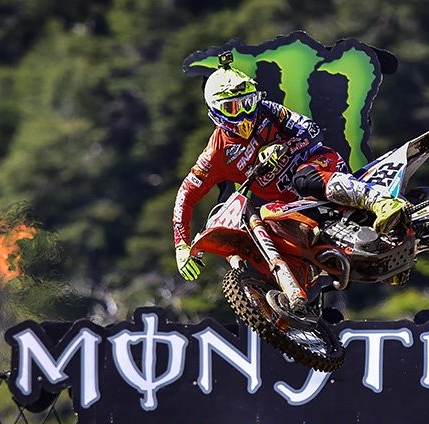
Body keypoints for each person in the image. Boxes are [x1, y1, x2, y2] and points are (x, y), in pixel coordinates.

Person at [173, 53, 410, 281]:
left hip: (320, 166)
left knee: (303, 179)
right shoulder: (216, 153)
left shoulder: (268, 110)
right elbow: (186, 194)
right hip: (294, 205)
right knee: (270, 219)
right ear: (215, 112)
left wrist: (284, 148)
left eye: (248, 102)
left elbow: (312, 130)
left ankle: (381, 202)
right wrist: (181, 245)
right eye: (233, 108)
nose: (245, 112)